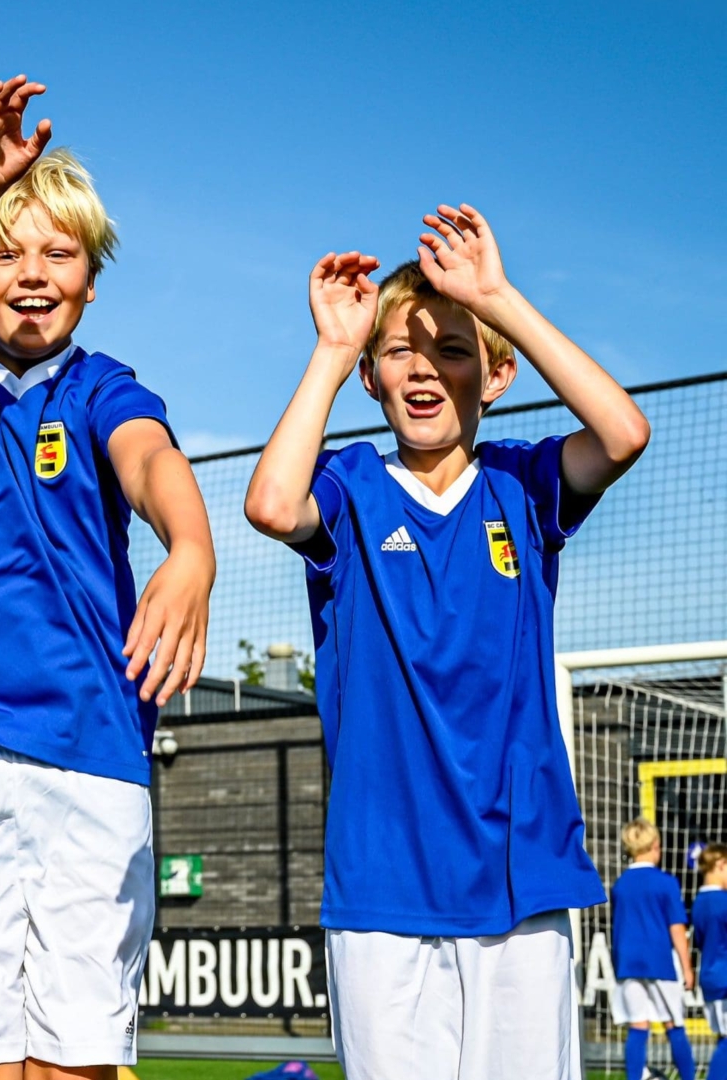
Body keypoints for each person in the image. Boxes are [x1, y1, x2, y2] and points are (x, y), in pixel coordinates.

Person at [244, 204, 652, 1075]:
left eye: (454, 350)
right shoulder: (351, 486)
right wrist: (332, 348)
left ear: (495, 375)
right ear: (372, 377)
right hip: (385, 887)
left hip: (522, 882)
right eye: (400, 351)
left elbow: (623, 432)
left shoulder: (525, 485)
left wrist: (497, 298)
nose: (425, 369)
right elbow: (273, 505)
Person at [0, 77, 215, 1075]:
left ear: (92, 279)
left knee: (76, 1055)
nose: (30, 273)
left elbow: (151, 464)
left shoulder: (105, 386)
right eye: (4, 255)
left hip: (91, 747)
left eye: (58, 253)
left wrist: (190, 548)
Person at [611, 819, 697, 1080]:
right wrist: (687, 967)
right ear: (656, 846)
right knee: (674, 1025)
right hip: (660, 962)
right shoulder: (665, 883)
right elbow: (676, 929)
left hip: (627, 964)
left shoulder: (620, 884)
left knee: (638, 1026)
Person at [689, 843, 727, 1080]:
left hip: (711, 977)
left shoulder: (699, 903)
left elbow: (701, 941)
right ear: (720, 865)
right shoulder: (723, 902)